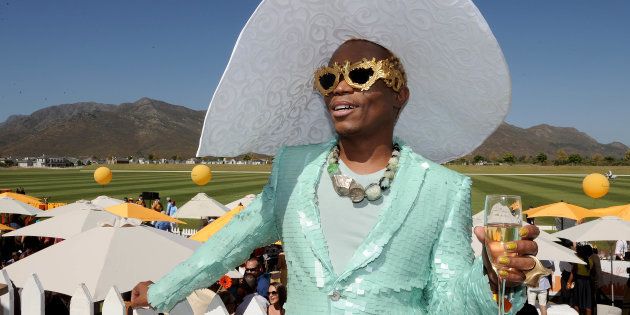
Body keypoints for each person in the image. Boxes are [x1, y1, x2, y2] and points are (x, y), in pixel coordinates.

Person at [130, 1, 542, 314]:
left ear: (400, 94)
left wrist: (491, 275)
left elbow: (448, 302)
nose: (339, 88)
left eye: (361, 74)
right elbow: (231, 241)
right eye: (329, 78)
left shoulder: (444, 189)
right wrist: (164, 290)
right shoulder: (293, 168)